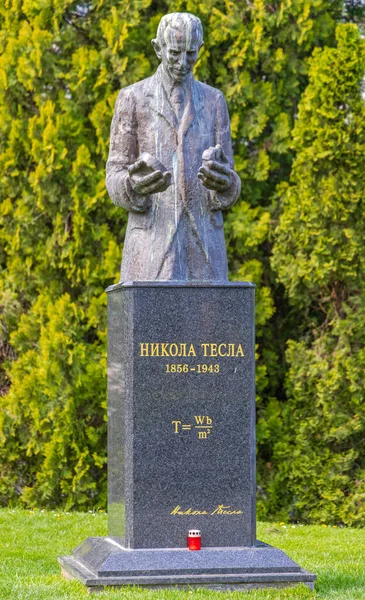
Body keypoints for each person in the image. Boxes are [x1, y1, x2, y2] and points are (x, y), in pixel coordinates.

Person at [106, 12, 241, 282]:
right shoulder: (132, 98)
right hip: (150, 249)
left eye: (191, 53)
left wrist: (225, 184)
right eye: (175, 52)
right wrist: (134, 185)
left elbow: (231, 179)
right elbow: (114, 176)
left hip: (205, 251)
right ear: (158, 48)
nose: (183, 62)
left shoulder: (215, 101)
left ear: (200, 49)